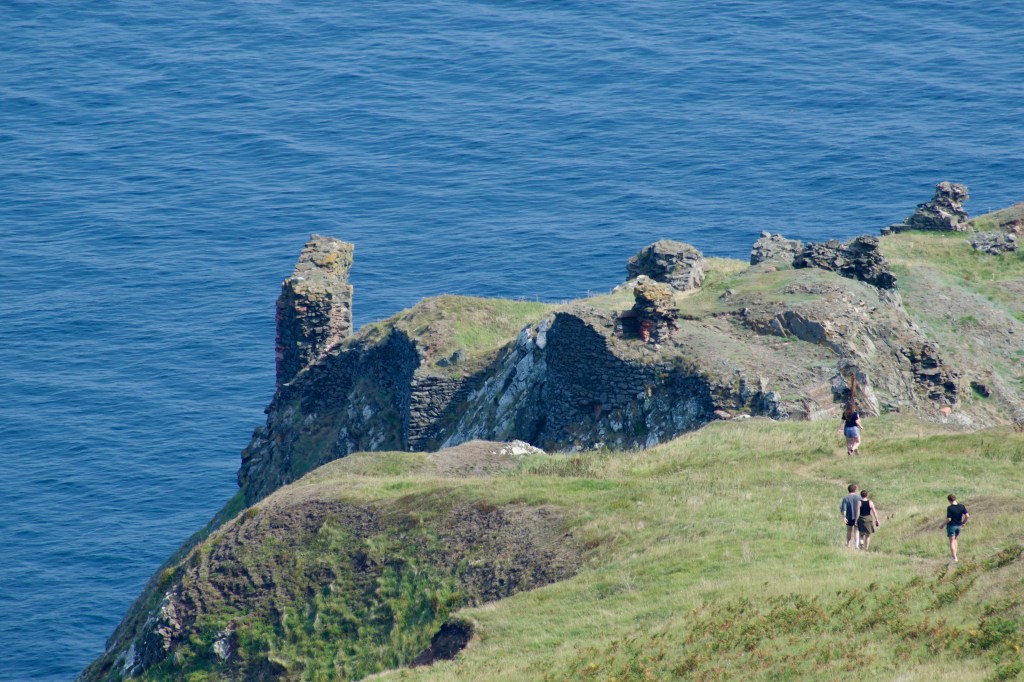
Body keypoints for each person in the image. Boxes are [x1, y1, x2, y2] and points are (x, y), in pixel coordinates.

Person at [942, 494, 969, 562]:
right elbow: (967, 516)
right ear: (955, 498)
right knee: (955, 540)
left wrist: (942, 525)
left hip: (951, 526)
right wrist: (963, 523)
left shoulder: (950, 508)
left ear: (949, 500)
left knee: (951, 541)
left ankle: (954, 557)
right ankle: (954, 555)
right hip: (959, 526)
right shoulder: (961, 506)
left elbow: (949, 519)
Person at [840, 484, 861, 548]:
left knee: (849, 530)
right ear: (855, 490)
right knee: (856, 531)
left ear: (848, 490)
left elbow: (844, 509)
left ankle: (848, 544)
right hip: (857, 517)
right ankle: (856, 545)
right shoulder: (859, 498)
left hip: (849, 517)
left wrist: (844, 517)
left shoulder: (846, 498)